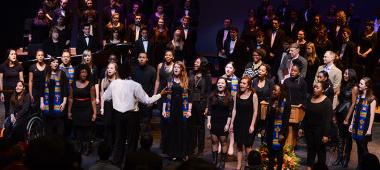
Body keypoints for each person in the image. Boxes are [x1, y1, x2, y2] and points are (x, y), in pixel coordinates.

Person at [103, 71, 166, 166]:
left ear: (118, 73)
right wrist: (160, 95)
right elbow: (147, 100)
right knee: (132, 141)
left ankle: (117, 162)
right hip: (131, 116)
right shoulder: (135, 85)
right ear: (131, 74)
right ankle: (130, 163)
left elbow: (106, 97)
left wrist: (117, 99)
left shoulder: (114, 84)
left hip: (118, 116)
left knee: (119, 139)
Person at [299, 81, 333, 170]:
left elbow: (328, 120)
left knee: (320, 151)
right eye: (314, 87)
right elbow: (306, 115)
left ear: (323, 90)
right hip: (309, 129)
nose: (315, 89)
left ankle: (321, 168)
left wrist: (326, 135)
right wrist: (302, 127)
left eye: (317, 87)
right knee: (310, 149)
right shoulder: (310, 98)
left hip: (320, 131)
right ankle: (309, 167)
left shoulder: (327, 102)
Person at [162, 61, 192, 161]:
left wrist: (189, 110)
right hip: (171, 108)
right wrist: (163, 110)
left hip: (182, 109)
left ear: (182, 69)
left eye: (178, 67)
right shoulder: (169, 79)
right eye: (175, 67)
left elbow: (190, 98)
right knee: (172, 130)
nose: (176, 69)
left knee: (182, 130)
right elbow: (165, 96)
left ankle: (182, 153)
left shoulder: (186, 80)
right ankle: (173, 152)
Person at [230, 76, 258, 169]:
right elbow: (234, 110)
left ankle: (249, 165)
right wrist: (232, 123)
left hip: (248, 123)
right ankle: (239, 166)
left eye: (244, 83)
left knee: (248, 146)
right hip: (238, 122)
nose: (241, 84)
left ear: (248, 85)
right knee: (239, 145)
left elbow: (255, 111)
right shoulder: (236, 95)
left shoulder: (253, 95)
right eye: (241, 83)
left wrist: (252, 125)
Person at [68, 64, 97, 155]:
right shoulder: (73, 83)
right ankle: (79, 147)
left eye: (86, 72)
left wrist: (95, 113)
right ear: (79, 73)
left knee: (87, 131)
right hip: (76, 108)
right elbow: (71, 98)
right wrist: (69, 111)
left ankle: (88, 147)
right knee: (78, 130)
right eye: (82, 72)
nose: (84, 74)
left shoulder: (90, 85)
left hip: (87, 109)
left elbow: (93, 99)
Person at [349, 77, 377, 169]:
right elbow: (355, 111)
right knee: (358, 146)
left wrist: (369, 129)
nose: (359, 85)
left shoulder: (372, 99)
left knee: (363, 147)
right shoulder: (359, 96)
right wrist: (351, 124)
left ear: (366, 86)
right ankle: (360, 165)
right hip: (357, 125)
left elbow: (372, 115)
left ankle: (367, 165)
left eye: (361, 84)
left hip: (364, 126)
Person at [333, 69, 358, 168]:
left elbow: (353, 103)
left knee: (347, 137)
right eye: (344, 73)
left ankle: (346, 158)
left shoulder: (354, 88)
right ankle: (339, 157)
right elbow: (339, 100)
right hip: (340, 112)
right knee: (340, 136)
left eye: (347, 74)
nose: (344, 75)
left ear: (351, 75)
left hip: (347, 113)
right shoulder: (343, 85)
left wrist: (347, 118)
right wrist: (335, 113)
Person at [207, 77, 233, 169]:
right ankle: (214, 161)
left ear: (225, 85)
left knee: (223, 142)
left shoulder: (229, 97)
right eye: (219, 83)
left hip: (223, 122)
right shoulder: (212, 96)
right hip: (214, 121)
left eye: (222, 83)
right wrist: (209, 122)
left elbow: (230, 112)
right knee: (214, 141)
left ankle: (222, 162)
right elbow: (209, 110)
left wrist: (227, 124)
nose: (220, 84)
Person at [188, 57, 211, 156]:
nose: (195, 63)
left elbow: (209, 93)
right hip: (191, 103)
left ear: (202, 64)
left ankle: (200, 149)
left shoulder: (207, 76)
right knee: (192, 126)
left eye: (197, 62)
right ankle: (192, 147)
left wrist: (207, 107)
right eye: (195, 62)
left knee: (201, 127)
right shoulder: (191, 73)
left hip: (201, 103)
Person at [40, 57, 68, 136]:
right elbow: (41, 89)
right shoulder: (45, 73)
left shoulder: (62, 73)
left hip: (58, 104)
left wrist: (64, 102)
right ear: (50, 64)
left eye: (56, 62)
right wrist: (41, 103)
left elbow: (65, 89)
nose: (55, 64)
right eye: (53, 62)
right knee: (49, 130)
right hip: (48, 104)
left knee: (60, 130)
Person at [264, 84, 290, 170]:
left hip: (280, 130)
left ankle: (279, 167)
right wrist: (264, 129)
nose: (273, 91)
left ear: (281, 92)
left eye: (275, 90)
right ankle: (270, 167)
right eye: (273, 90)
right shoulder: (271, 101)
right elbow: (268, 117)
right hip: (271, 129)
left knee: (278, 151)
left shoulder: (286, 103)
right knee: (270, 151)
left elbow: (286, 120)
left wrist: (282, 133)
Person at [154, 50, 174, 151]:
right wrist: (155, 95)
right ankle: (163, 143)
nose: (167, 56)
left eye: (170, 55)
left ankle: (169, 143)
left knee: (169, 119)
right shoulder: (160, 65)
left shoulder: (175, 66)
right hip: (162, 94)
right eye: (166, 54)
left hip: (171, 95)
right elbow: (157, 80)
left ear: (173, 57)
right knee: (162, 120)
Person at [131, 52, 156, 133]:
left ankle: (145, 143)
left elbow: (153, 86)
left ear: (147, 59)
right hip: (135, 101)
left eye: (143, 57)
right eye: (140, 57)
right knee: (135, 123)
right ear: (138, 59)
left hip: (146, 100)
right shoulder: (133, 70)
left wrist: (151, 100)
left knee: (146, 123)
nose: (141, 59)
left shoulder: (152, 70)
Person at [0, 49, 24, 123]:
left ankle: (15, 127)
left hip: (16, 91)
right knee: (7, 110)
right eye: (12, 54)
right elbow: (0, 79)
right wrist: (1, 92)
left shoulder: (19, 66)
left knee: (16, 109)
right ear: (8, 56)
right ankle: (6, 128)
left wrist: (22, 91)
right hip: (6, 91)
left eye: (15, 54)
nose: (14, 55)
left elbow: (21, 79)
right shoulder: (3, 66)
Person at [100, 62, 120, 149]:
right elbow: (102, 95)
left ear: (115, 70)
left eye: (111, 68)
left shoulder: (119, 81)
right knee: (107, 126)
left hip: (116, 105)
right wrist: (102, 108)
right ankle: (107, 147)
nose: (109, 70)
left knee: (115, 126)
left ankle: (115, 146)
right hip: (107, 106)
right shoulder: (104, 80)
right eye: (108, 68)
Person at [221, 62, 239, 157]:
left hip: (232, 105)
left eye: (230, 68)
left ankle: (231, 145)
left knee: (231, 126)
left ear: (234, 70)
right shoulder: (221, 78)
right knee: (222, 125)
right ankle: (221, 143)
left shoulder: (236, 80)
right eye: (226, 67)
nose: (228, 69)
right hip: (222, 105)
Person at [252, 64, 273, 141]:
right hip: (255, 107)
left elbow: (271, 95)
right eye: (259, 70)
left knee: (263, 129)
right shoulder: (254, 80)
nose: (260, 71)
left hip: (265, 108)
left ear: (266, 73)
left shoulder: (270, 82)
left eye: (262, 70)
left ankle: (263, 147)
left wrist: (268, 103)